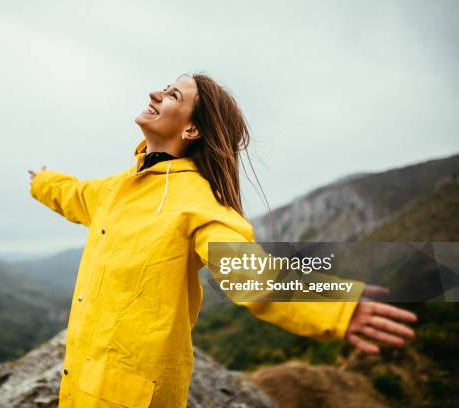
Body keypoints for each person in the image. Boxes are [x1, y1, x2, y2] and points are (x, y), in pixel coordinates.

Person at [27, 73, 417, 408]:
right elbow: (75, 193)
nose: (155, 95)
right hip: (78, 382)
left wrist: (337, 308)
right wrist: (43, 182)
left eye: (172, 96)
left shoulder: (197, 203)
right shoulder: (117, 190)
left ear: (191, 129)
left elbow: (253, 278)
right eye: (164, 89)